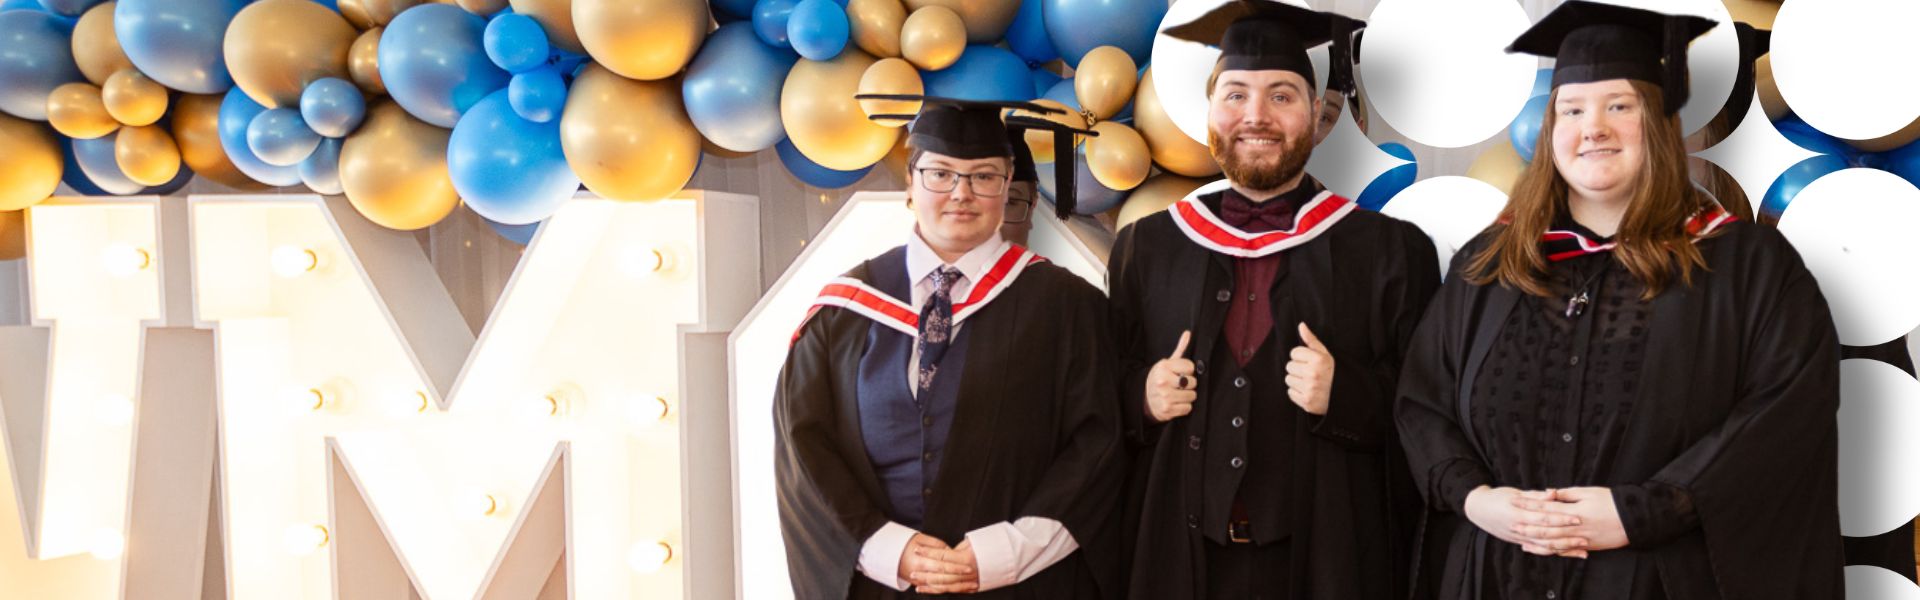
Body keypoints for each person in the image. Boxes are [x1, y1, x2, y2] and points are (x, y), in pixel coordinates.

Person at [1395, 3, 1844, 599]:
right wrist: (1476, 500)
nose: (1593, 128)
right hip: (1497, 577)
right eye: (1572, 109)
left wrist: (1648, 510)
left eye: (1619, 106)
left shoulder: (1749, 267)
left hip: (1656, 582)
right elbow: (1423, 403)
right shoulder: (1489, 263)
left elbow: (1785, 419)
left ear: (1657, 121)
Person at [1109, 2, 1440, 598]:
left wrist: (1347, 394)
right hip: (1178, 563)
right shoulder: (1145, 248)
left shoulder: (1391, 251)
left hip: (1330, 564)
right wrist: (1142, 396)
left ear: (1316, 114)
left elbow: (1434, 412)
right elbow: (1091, 399)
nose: (1255, 116)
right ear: (1208, 113)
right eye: (1235, 95)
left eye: (1281, 96)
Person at [775, 96, 1125, 598]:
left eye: (983, 176)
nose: (961, 193)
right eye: (940, 173)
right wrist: (884, 547)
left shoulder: (1069, 307)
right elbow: (802, 446)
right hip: (883, 582)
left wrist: (1004, 553)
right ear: (910, 185)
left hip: (1020, 581)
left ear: (1007, 188)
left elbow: (1099, 445)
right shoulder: (844, 310)